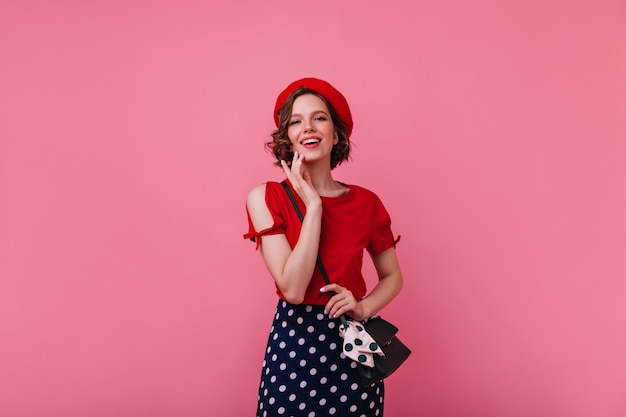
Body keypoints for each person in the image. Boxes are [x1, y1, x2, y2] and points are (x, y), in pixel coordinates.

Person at [244, 78, 403, 417]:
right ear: (287, 137)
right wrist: (313, 207)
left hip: (355, 347)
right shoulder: (266, 197)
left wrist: (363, 307)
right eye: (295, 121)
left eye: (319, 117)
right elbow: (294, 289)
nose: (308, 127)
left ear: (336, 134)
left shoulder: (366, 203)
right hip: (294, 345)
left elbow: (392, 276)